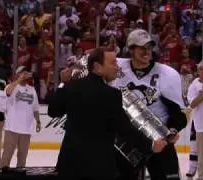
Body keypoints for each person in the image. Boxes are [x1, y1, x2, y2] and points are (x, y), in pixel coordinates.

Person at [48, 48, 168, 179]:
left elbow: (53, 111)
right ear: (97, 67)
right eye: (113, 63)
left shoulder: (71, 86)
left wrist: (63, 84)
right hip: (98, 167)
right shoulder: (111, 94)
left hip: (69, 164)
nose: (118, 68)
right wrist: (151, 145)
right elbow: (124, 129)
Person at [111, 29, 187, 180]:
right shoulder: (117, 67)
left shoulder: (167, 74)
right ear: (131, 49)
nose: (147, 51)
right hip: (127, 139)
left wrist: (173, 129)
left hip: (159, 140)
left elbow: (179, 115)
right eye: (141, 48)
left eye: (149, 47)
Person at [1, 66, 41, 168]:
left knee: (22, 158)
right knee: (6, 156)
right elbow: (8, 92)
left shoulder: (32, 89)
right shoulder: (12, 86)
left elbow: (35, 107)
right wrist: (18, 80)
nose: (25, 74)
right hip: (12, 128)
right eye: (22, 73)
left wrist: (38, 121)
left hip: (26, 129)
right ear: (18, 74)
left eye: (26, 72)